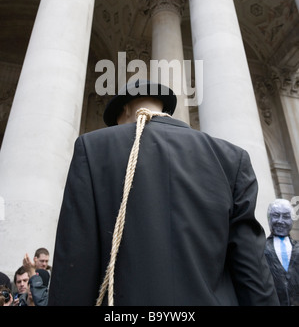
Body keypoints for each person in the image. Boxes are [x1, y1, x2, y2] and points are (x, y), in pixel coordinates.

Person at [48, 79, 279, 306]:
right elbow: (252, 269)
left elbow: (75, 264)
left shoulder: (92, 148)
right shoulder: (232, 158)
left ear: (125, 108)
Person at [264, 198, 299, 305]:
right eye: (275, 215)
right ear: (269, 218)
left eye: (286, 216)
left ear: (292, 220)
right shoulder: (260, 248)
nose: (280, 221)